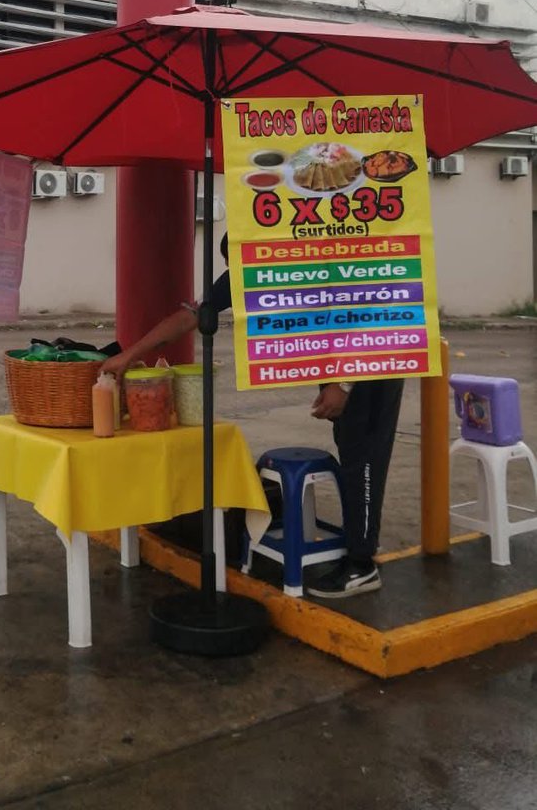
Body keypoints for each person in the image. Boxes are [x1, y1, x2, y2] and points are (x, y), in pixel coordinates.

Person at [100, 232, 403, 600]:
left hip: (372, 364)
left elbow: (365, 312)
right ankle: (360, 541)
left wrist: (344, 384)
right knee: (352, 451)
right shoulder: (248, 270)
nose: (242, 279)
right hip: (337, 363)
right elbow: (188, 317)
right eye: (235, 271)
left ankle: (362, 564)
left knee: (363, 461)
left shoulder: (314, 264)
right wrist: (130, 354)